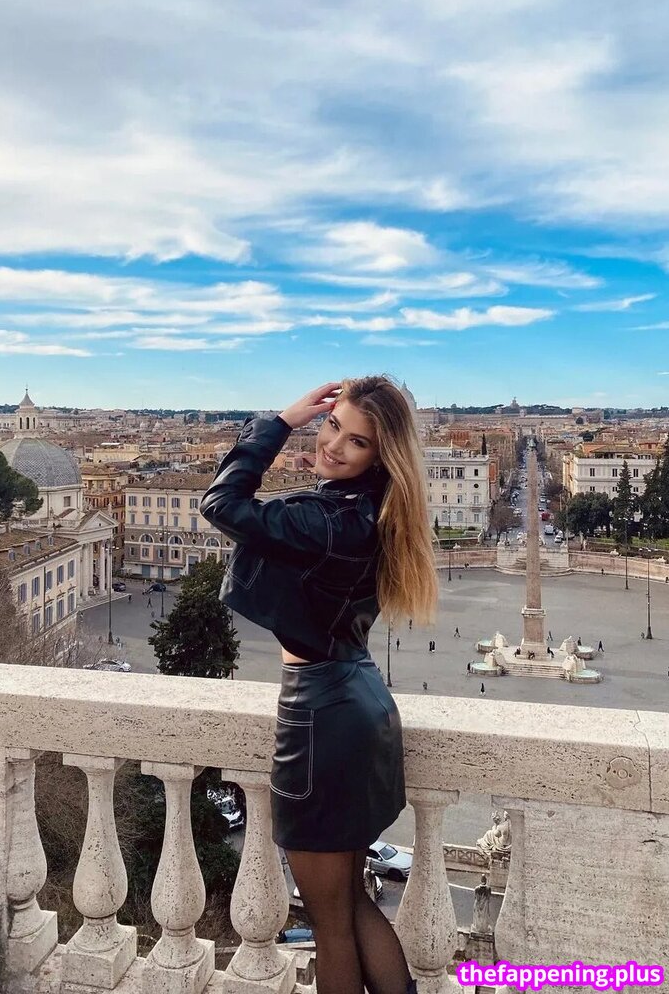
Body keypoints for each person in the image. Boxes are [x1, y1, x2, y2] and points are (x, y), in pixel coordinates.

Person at [201, 376, 436, 994]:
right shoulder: (374, 509)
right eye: (333, 425)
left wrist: (280, 423)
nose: (333, 444)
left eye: (356, 441)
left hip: (319, 715)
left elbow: (221, 504)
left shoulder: (330, 519)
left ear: (379, 456)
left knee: (330, 925)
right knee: (351, 904)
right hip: (359, 702)